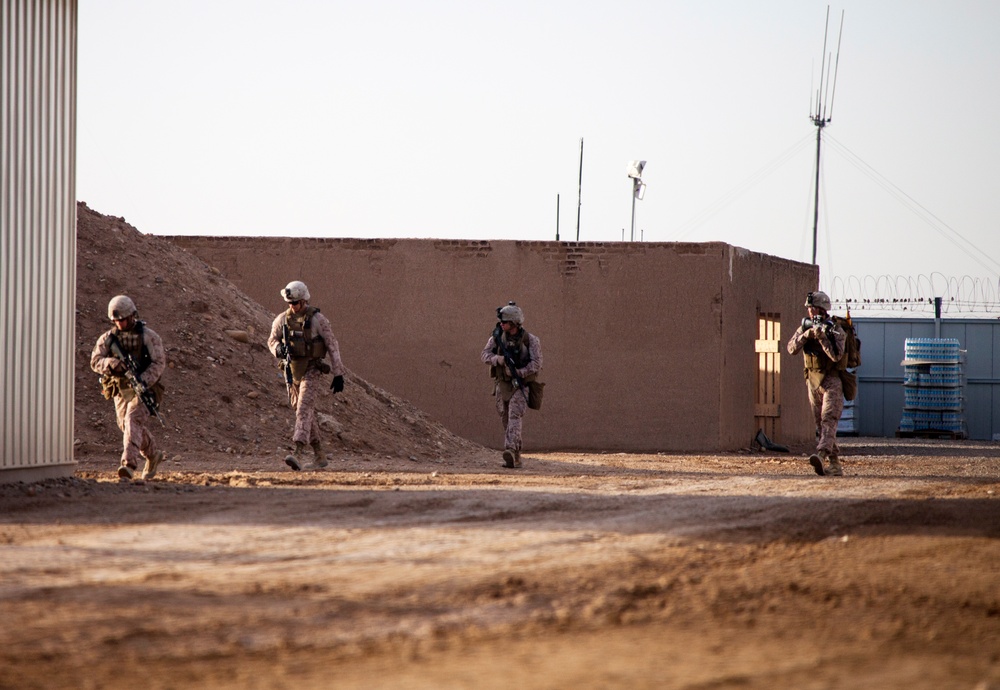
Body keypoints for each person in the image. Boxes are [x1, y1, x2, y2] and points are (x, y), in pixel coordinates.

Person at [268, 280, 346, 471]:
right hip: (291, 370)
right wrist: (278, 349)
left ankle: (298, 451)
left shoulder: (318, 320)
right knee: (302, 411)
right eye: (290, 303)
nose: (292, 307)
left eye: (295, 303)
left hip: (311, 370)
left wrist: (338, 373)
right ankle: (319, 454)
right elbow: (271, 340)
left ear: (304, 300)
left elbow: (332, 345)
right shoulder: (282, 320)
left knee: (303, 409)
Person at [90, 295, 167, 480]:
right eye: (115, 321)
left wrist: (143, 380)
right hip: (120, 389)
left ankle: (128, 465)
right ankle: (152, 454)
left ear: (132, 315)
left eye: (122, 320)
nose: (120, 323)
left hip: (144, 388)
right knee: (126, 426)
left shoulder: (149, 337)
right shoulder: (108, 339)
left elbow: (159, 363)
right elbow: (95, 361)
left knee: (132, 419)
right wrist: (112, 363)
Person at [786, 290, 848, 476]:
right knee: (820, 424)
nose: (810, 312)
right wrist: (806, 336)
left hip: (832, 381)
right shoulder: (805, 327)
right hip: (813, 381)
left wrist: (822, 338)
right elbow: (791, 348)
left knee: (829, 419)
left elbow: (836, 356)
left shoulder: (836, 329)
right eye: (809, 309)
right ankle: (835, 463)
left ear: (822, 309)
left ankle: (820, 455)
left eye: (813, 308)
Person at [481, 302, 543, 469]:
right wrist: (498, 360)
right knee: (505, 417)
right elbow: (485, 355)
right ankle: (516, 454)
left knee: (515, 415)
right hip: (502, 385)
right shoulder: (496, 338)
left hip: (521, 384)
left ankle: (509, 449)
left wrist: (519, 372)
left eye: (505, 322)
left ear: (514, 323)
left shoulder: (531, 340)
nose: (502, 324)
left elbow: (536, 364)